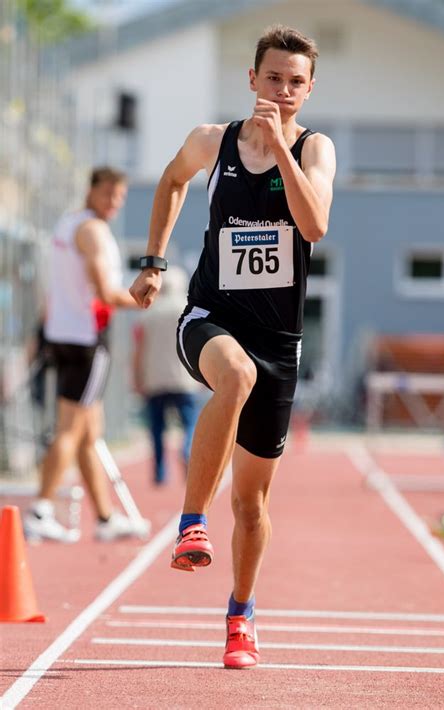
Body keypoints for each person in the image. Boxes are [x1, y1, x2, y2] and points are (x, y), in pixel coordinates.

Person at [130, 25, 336, 668]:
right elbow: (170, 180)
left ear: (308, 90)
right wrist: (154, 261)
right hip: (209, 317)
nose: (282, 90)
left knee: (251, 504)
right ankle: (192, 521)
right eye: (272, 77)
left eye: (295, 82)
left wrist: (281, 150)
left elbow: (315, 225)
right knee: (234, 375)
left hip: (279, 339)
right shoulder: (210, 142)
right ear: (251, 79)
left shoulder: (313, 149)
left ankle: (241, 617)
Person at [24, 166, 143, 543]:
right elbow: (106, 293)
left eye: (120, 197)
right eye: (109, 194)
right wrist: (142, 296)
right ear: (92, 191)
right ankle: (41, 509)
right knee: (71, 430)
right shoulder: (92, 231)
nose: (114, 203)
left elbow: (56, 288)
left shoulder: (66, 224)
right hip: (86, 339)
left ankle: (106, 519)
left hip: (62, 334)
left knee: (90, 433)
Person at [132, 266, 200, 484]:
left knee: (157, 429)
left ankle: (160, 473)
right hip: (184, 378)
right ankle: (188, 450)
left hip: (155, 378)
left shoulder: (149, 313)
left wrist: (137, 377)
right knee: (189, 424)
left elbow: (139, 348)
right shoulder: (188, 309)